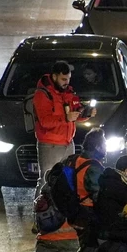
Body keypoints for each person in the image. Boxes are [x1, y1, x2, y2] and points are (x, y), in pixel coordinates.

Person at [56, 129, 106, 252]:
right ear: (98, 146)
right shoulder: (93, 167)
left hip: (76, 214)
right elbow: (99, 194)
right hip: (89, 216)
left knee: (87, 250)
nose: (106, 147)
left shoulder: (75, 159)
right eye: (104, 143)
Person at [32, 60, 94, 192]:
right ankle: (40, 209)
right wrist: (66, 118)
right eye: (63, 79)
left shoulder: (68, 92)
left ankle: (62, 210)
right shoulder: (42, 95)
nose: (66, 82)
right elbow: (45, 122)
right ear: (54, 77)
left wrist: (86, 114)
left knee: (67, 179)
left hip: (67, 142)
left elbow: (75, 113)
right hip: (50, 145)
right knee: (46, 180)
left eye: (68, 79)